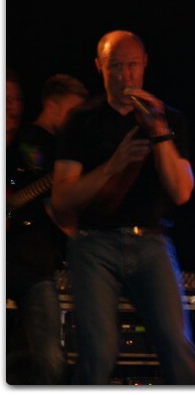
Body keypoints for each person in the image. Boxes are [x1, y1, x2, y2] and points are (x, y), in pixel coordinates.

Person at [51, 30, 195, 384]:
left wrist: (159, 131)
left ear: (145, 64)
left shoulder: (169, 118)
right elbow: (62, 198)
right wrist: (112, 166)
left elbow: (182, 192)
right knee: (98, 351)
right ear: (99, 67)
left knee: (176, 344)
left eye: (132, 65)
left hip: (150, 241)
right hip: (94, 244)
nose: (125, 76)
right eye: (116, 67)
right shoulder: (82, 120)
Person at [6, 73, 89, 384]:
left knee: (50, 360)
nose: (11, 107)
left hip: (35, 267)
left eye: (15, 99)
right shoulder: (35, 143)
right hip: (21, 259)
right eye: (72, 112)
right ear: (52, 105)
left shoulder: (43, 144)